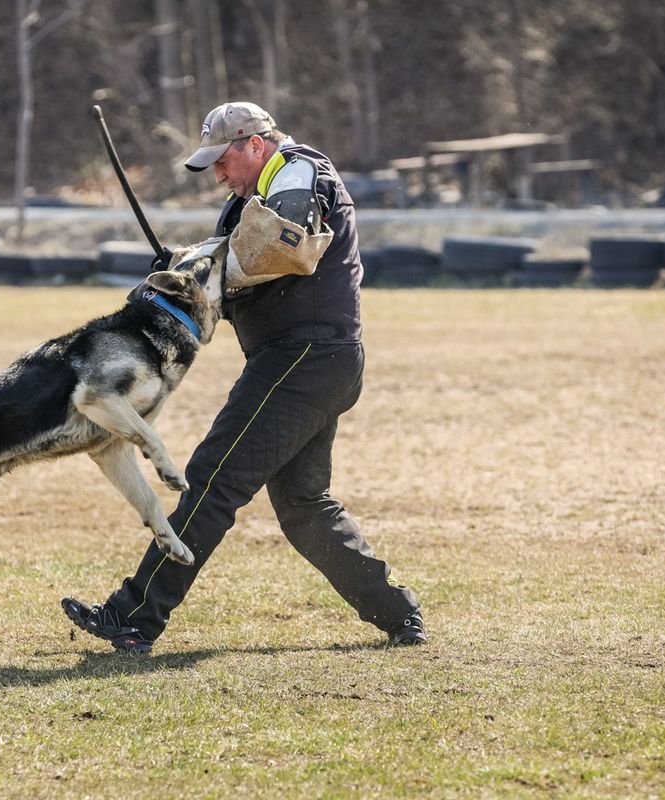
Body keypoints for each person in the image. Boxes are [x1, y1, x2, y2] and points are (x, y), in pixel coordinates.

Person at [62, 101, 425, 653]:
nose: (219, 175)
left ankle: (133, 616)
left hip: (304, 358)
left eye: (224, 161)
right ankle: (399, 614)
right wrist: (182, 271)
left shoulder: (299, 171)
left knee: (212, 478)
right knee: (304, 505)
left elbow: (281, 247)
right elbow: (228, 276)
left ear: (255, 144)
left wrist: (198, 268)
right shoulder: (244, 204)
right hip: (308, 363)